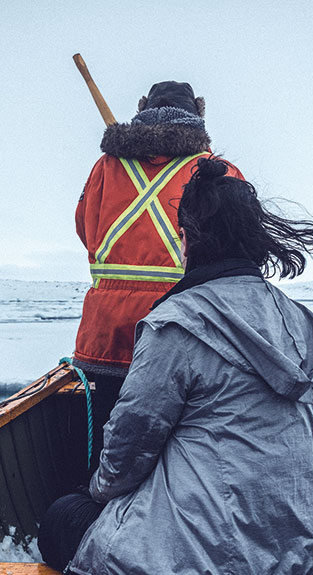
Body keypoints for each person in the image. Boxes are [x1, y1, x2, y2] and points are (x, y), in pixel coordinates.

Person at [40, 158, 313, 575]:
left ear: (187, 239)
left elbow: (128, 450)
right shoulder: (299, 321)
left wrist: (97, 491)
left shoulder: (177, 323)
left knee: (64, 516)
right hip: (304, 563)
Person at [71, 81, 244, 471]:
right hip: (187, 332)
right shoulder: (218, 171)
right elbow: (241, 243)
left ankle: (100, 515)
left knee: (109, 451)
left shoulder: (105, 168)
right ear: (199, 115)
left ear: (142, 110)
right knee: (182, 458)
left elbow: (84, 228)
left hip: (107, 336)